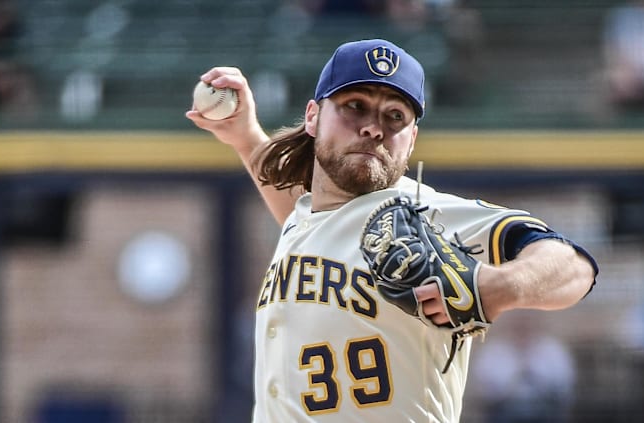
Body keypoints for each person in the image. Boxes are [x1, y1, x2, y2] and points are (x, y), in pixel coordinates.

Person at [186, 39, 598, 422]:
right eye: (354, 106)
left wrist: (496, 285)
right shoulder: (310, 217)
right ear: (312, 117)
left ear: (412, 138)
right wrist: (245, 136)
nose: (373, 128)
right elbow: (309, 214)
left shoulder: (421, 214)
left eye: (394, 116)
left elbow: (573, 266)